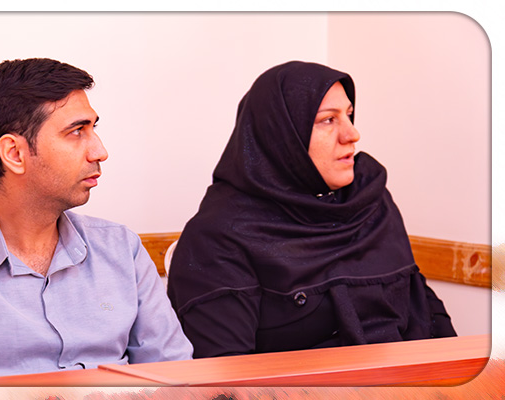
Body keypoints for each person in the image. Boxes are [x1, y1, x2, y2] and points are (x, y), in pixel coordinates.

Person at [0, 58, 193, 383]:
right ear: (15, 154)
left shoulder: (121, 248)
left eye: (93, 129)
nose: (99, 151)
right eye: (76, 132)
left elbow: (177, 378)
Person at [166, 61, 456, 358]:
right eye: (328, 120)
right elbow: (224, 371)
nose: (352, 134)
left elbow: (423, 308)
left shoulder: (369, 201)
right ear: (281, 135)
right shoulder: (218, 237)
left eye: (349, 115)